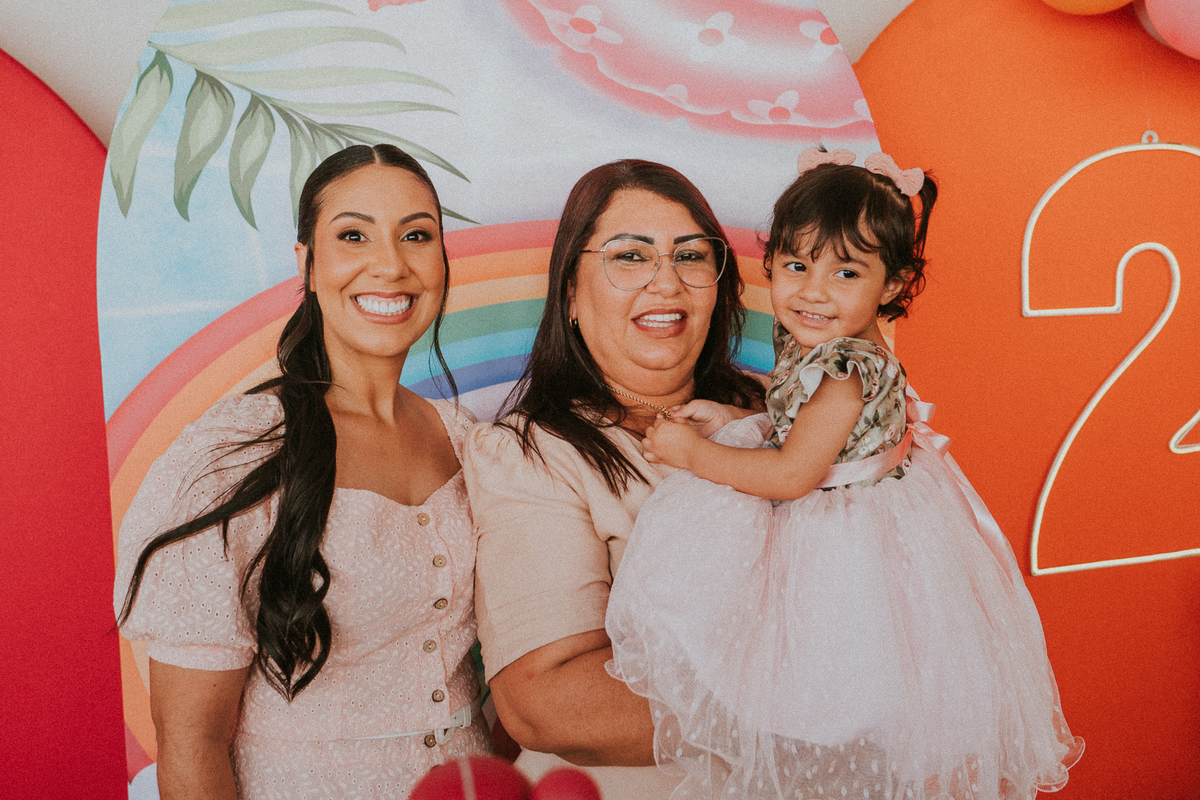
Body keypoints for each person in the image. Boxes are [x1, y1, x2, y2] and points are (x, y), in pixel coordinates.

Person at [605, 148, 1085, 800]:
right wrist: (732, 416)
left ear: (891, 285)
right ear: (771, 262)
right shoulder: (816, 336)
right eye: (797, 266)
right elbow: (799, 417)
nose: (813, 291)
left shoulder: (847, 369)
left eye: (846, 272)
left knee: (830, 679)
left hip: (851, 537)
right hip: (844, 493)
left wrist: (693, 454)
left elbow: (792, 474)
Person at [114, 144, 490, 800]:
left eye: (416, 235)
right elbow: (190, 744)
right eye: (353, 236)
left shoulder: (471, 442)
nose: (391, 264)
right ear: (307, 264)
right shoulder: (235, 453)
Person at [461, 160, 763, 797]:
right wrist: (806, 703)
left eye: (691, 256)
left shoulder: (785, 413)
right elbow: (541, 700)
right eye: (630, 256)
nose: (666, 282)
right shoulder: (532, 454)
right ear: (571, 293)